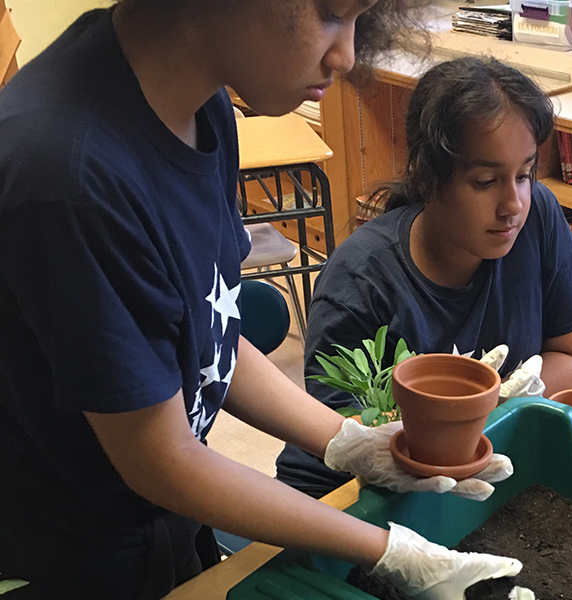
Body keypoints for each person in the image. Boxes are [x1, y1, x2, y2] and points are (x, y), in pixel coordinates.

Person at [0, 2, 521, 598]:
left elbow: (204, 333)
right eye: (329, 13)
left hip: (161, 526)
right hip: (73, 561)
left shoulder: (200, 106)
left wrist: (345, 442)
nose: (346, 56)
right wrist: (390, 550)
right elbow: (161, 461)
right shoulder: (70, 180)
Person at [276, 57, 572, 498]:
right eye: (486, 181)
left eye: (524, 175)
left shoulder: (536, 215)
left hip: (471, 472)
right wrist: (476, 424)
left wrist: (492, 414)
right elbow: (348, 435)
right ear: (428, 180)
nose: (514, 204)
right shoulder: (360, 282)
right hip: (348, 492)